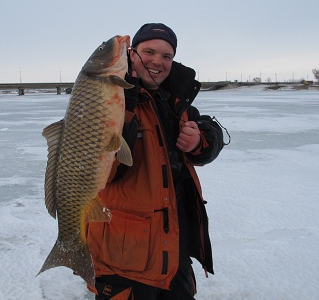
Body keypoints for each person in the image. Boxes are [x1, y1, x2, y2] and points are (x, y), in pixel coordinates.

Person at [87, 23, 224, 299]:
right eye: (149, 51)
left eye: (166, 56)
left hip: (172, 246)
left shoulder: (175, 99)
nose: (157, 61)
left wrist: (201, 139)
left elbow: (211, 130)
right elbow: (102, 171)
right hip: (125, 254)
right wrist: (124, 109)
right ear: (132, 53)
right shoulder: (108, 97)